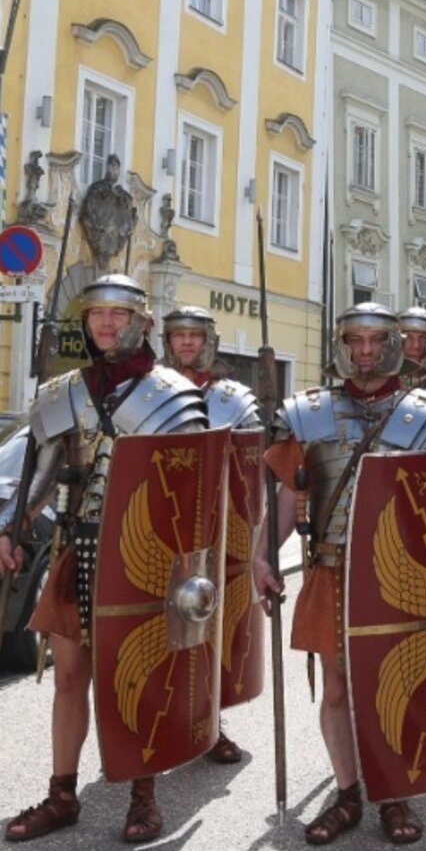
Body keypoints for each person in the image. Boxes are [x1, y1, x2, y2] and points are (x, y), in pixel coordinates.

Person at [0, 275, 210, 844]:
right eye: (96, 315)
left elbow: (191, 497)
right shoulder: (63, 392)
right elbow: (38, 477)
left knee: (136, 677)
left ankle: (143, 794)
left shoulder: (174, 396)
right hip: (75, 549)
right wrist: (8, 527)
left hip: (141, 559)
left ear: (143, 321)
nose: (106, 324)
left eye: (118, 314)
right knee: (69, 678)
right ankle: (63, 794)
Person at [254, 304, 426, 845]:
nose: (367, 351)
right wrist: (262, 555)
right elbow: (288, 495)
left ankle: (394, 791)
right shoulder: (309, 413)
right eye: (357, 341)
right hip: (330, 566)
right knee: (335, 690)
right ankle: (349, 792)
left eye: (377, 341)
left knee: (393, 685)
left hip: (399, 577)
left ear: (394, 345)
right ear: (343, 346)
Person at [158, 305, 262, 766]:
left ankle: (211, 723)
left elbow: (253, 467)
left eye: (195, 336)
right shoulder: (147, 394)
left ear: (209, 342)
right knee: (163, 633)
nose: (186, 344)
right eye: (178, 336)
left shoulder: (233, 400)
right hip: (162, 529)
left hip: (219, 531)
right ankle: (163, 720)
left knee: (210, 628)